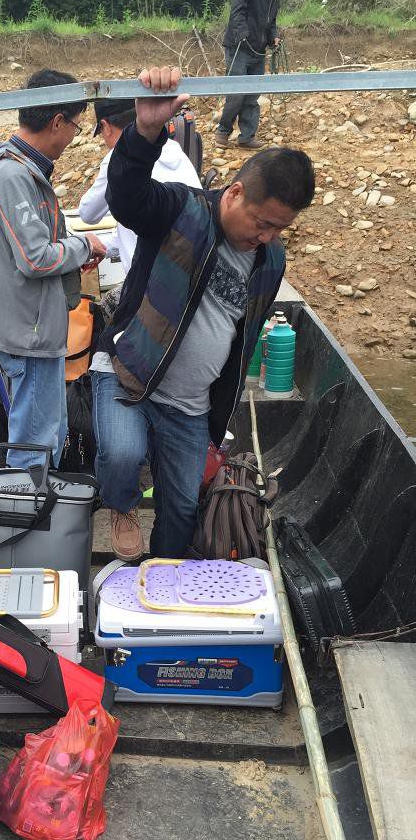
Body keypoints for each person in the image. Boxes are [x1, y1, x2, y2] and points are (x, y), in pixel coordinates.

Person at [93, 65, 314, 560]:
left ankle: (165, 579)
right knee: (124, 454)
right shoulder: (180, 208)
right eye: (261, 222)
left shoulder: (270, 259)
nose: (266, 236)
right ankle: (122, 503)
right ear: (234, 192)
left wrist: (218, 417)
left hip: (191, 407)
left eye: (279, 228)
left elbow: (242, 338)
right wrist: (145, 131)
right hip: (131, 372)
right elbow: (126, 196)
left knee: (182, 510)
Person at [0, 68, 106, 470]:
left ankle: (37, 509)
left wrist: (75, 252)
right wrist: (82, 245)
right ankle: (29, 519)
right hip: (26, 329)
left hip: (31, 324)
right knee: (36, 442)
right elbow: (35, 258)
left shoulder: (24, 170)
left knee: (47, 429)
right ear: (57, 121)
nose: (74, 135)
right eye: (75, 125)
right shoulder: (11, 176)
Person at [79, 99, 201, 276]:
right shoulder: (173, 148)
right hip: (188, 269)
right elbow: (146, 223)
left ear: (105, 126)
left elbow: (88, 214)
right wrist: (103, 245)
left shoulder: (116, 159)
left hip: (151, 283)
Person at [216, 0, 294, 150]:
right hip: (239, 46)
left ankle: (246, 137)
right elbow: (238, 4)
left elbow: (270, 20)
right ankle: (223, 131)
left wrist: (272, 37)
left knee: (252, 95)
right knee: (236, 93)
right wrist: (241, 32)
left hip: (258, 49)